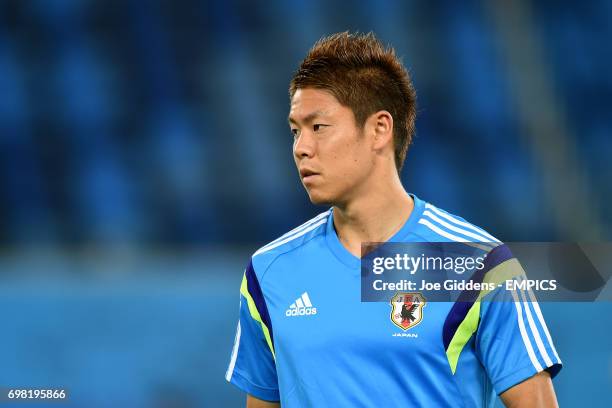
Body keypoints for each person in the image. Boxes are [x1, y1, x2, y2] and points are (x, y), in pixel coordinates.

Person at [225, 32, 561, 407]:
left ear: (379, 129)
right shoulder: (270, 271)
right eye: (294, 130)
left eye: (318, 127)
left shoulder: (478, 263)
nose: (301, 147)